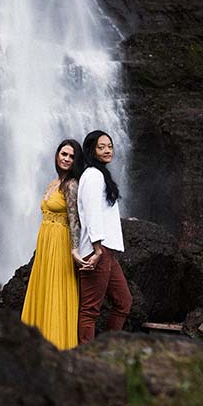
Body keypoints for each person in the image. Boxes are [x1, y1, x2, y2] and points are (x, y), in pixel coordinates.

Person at [20, 139, 88, 350]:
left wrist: (75, 250)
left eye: (71, 156)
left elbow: (75, 219)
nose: (66, 159)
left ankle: (57, 344)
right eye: (63, 154)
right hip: (46, 243)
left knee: (57, 290)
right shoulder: (53, 183)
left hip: (60, 243)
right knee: (44, 288)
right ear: (57, 155)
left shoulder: (71, 185)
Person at [76, 130, 132, 344]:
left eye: (109, 145)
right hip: (96, 251)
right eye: (102, 147)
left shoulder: (100, 175)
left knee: (124, 302)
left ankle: (106, 349)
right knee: (90, 310)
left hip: (106, 251)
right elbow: (91, 213)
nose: (108, 150)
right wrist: (97, 249)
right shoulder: (92, 175)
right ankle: (86, 357)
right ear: (91, 150)